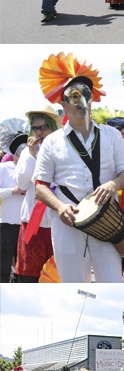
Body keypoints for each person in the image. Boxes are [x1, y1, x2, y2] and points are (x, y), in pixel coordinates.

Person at [33, 52, 124, 282]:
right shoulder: (52, 141)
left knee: (113, 283)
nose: (81, 101)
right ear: (63, 102)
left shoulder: (111, 135)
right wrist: (59, 207)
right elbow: (40, 186)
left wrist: (113, 184)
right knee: (73, 286)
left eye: (86, 94)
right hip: (68, 226)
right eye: (74, 95)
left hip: (107, 223)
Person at [14, 105, 62, 282]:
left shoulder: (62, 150)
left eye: (43, 128)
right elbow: (22, 183)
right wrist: (31, 155)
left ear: (52, 128)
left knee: (56, 275)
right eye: (35, 128)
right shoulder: (27, 151)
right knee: (29, 274)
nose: (39, 132)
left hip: (58, 220)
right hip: (33, 221)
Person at [0, 129, 27, 282]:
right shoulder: (4, 168)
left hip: (27, 226)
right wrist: (13, 191)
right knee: (3, 265)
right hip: (6, 225)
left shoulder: (32, 170)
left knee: (23, 268)